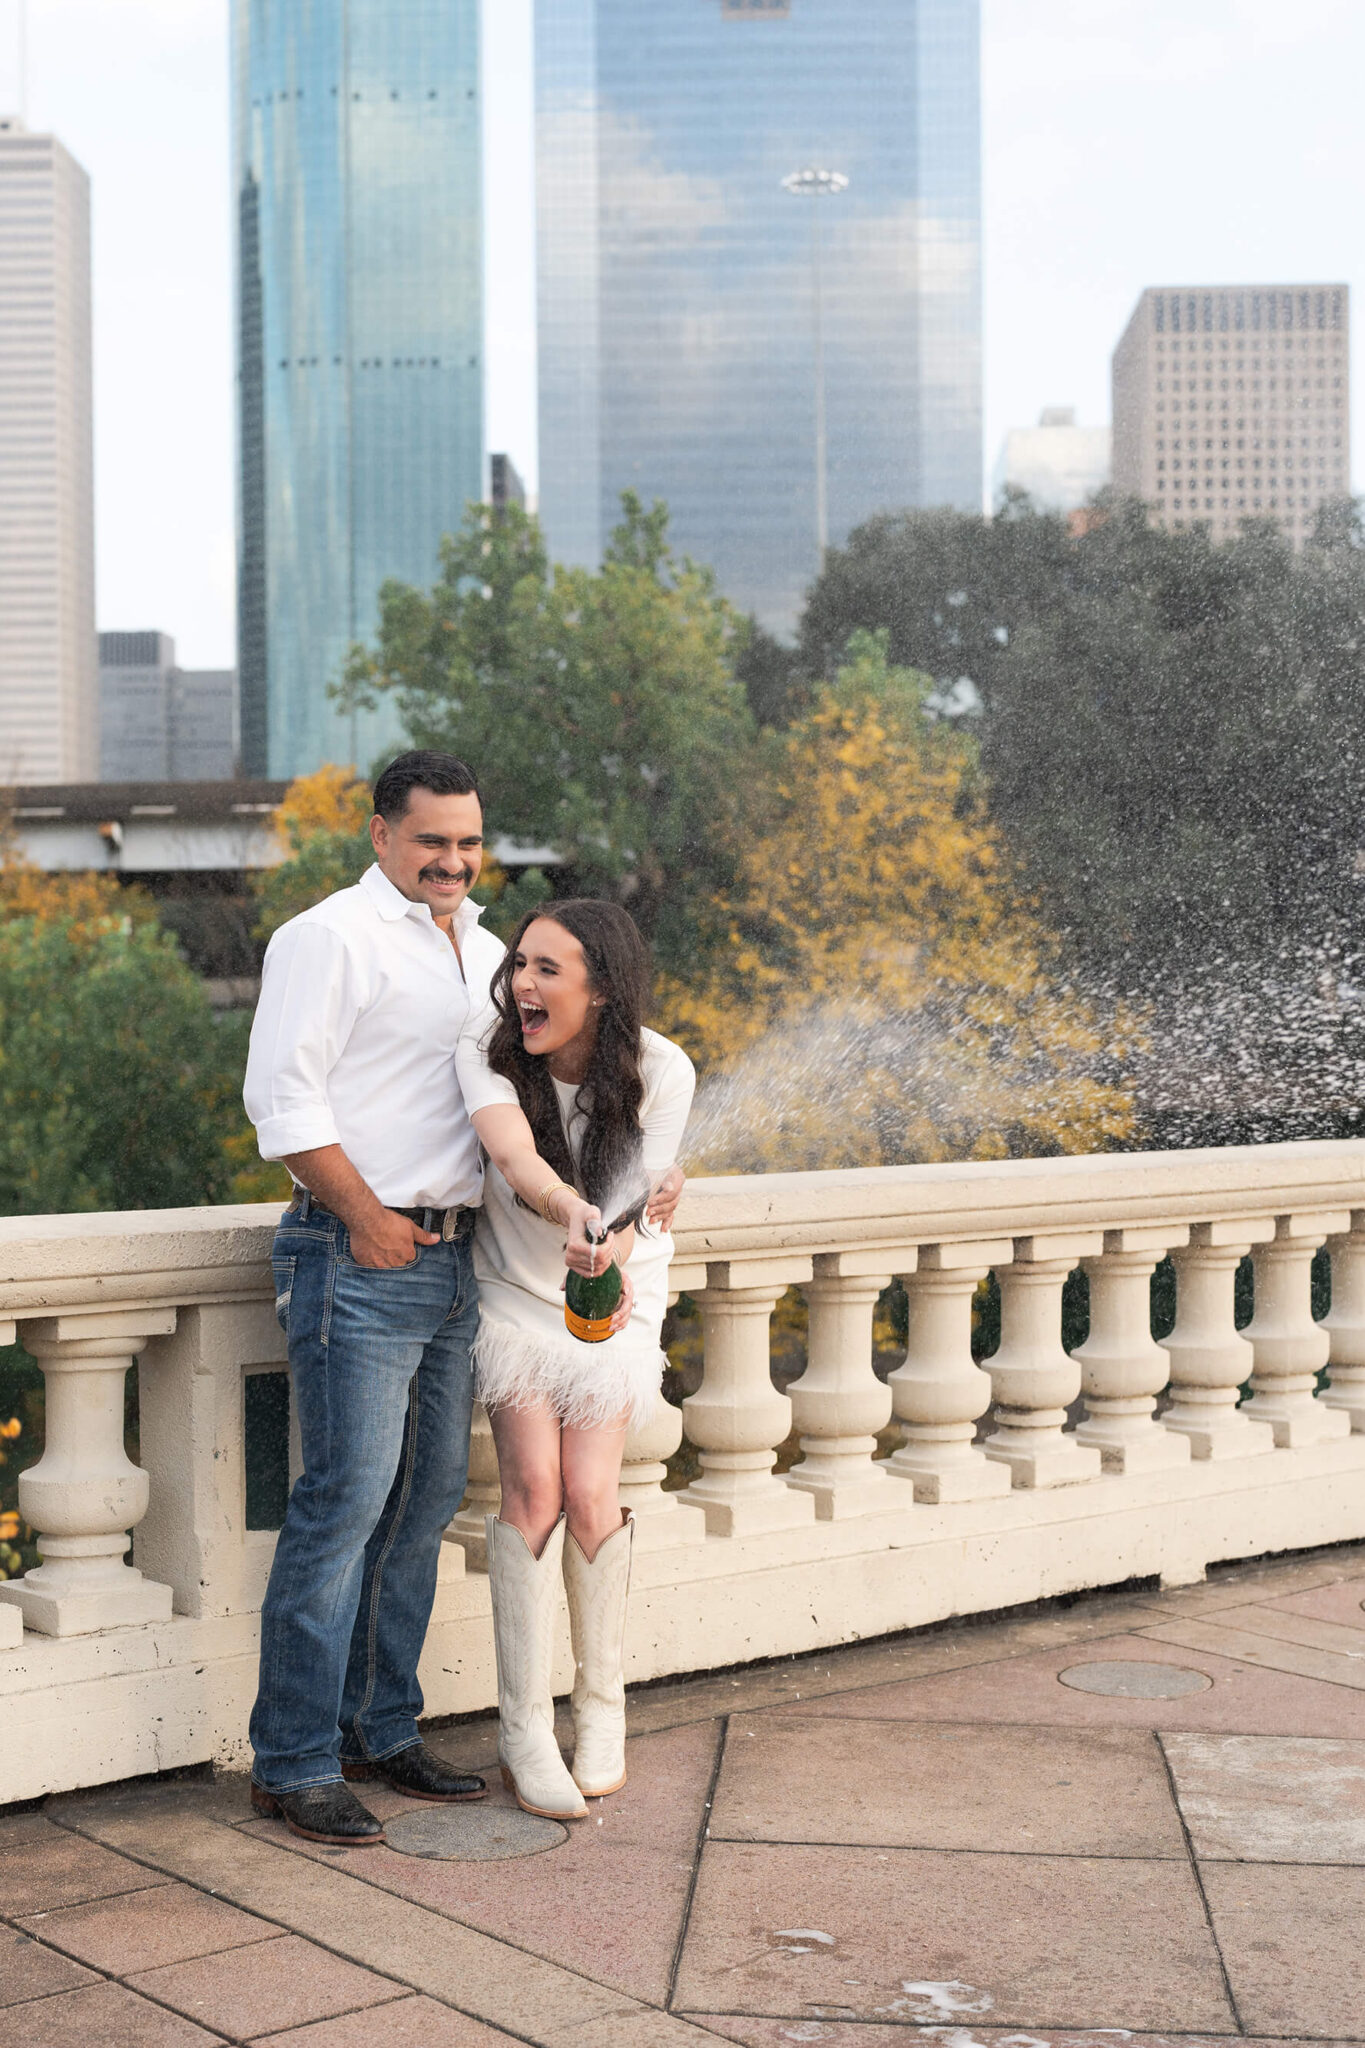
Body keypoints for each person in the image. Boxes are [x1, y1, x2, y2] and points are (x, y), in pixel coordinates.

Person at [242, 750, 506, 1846]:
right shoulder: (326, 938)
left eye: (468, 840)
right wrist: (361, 1216)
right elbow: (281, 1094)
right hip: (358, 1253)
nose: (452, 859)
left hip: (457, 1261)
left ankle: (379, 1727)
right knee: (343, 1504)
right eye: (432, 839)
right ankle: (293, 1760)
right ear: (381, 833)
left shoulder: (488, 951)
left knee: (422, 1505)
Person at [456, 900, 695, 1820]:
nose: (524, 983)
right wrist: (569, 1215)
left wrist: (608, 1256)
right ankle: (522, 1729)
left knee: (594, 1492)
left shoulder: (662, 1069)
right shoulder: (488, 1051)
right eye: (520, 963)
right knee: (533, 1490)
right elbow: (515, 1158)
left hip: (611, 1294)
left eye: (549, 969)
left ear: (602, 991)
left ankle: (601, 1715)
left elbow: (642, 1204)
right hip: (515, 1288)